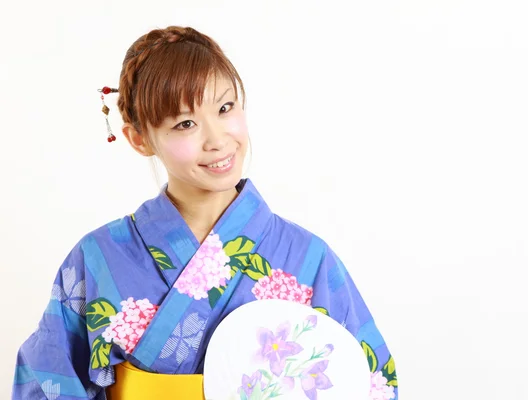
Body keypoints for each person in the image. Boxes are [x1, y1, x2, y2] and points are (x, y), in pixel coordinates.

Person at [12, 26, 397, 400]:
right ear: (139, 138)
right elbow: (46, 380)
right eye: (186, 123)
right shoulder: (97, 258)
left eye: (225, 108)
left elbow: (372, 381)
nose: (217, 140)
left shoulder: (308, 258)